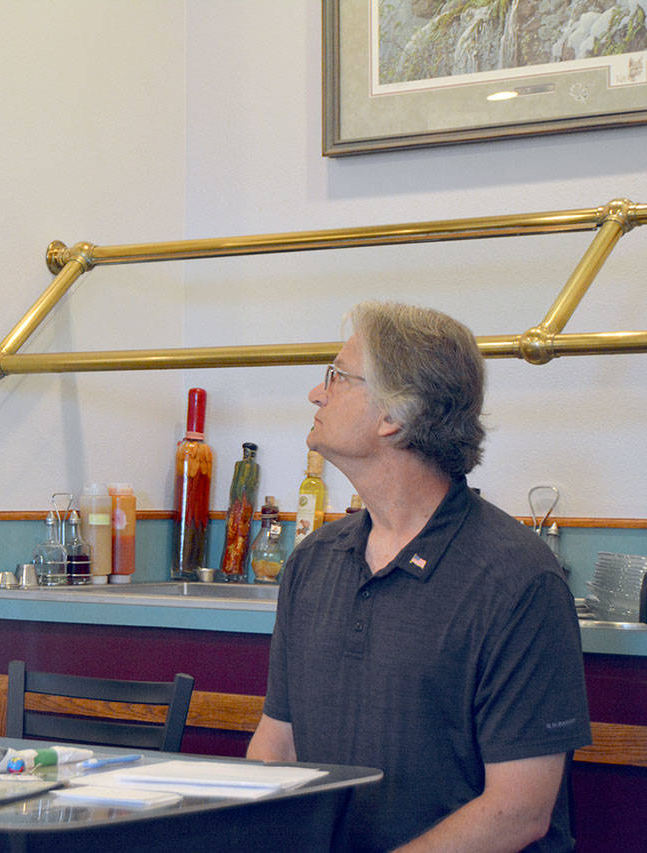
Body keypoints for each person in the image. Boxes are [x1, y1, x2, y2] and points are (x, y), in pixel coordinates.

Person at [247, 302, 591, 852]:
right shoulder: (311, 562)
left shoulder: (520, 581)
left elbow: (519, 812)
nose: (317, 393)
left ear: (395, 417)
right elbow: (277, 747)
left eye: (337, 376)